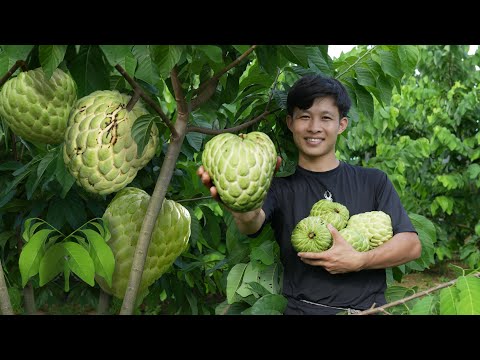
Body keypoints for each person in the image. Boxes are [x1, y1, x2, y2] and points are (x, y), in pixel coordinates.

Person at [197, 74, 422, 315]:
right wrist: (241, 206)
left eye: (326, 118)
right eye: (304, 116)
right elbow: (252, 223)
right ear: (290, 122)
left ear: (342, 124)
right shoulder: (280, 188)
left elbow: (410, 245)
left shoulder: (373, 181)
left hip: (367, 310)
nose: (314, 127)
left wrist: (359, 260)